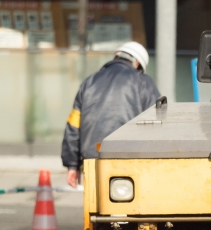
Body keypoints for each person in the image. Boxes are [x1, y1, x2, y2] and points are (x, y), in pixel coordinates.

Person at [61, 41, 160, 187]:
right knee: (128, 206)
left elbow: (73, 126)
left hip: (93, 161)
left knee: (95, 206)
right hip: (130, 161)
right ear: (137, 63)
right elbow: (157, 123)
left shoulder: (89, 82)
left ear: (117, 55)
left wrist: (72, 165)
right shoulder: (144, 82)